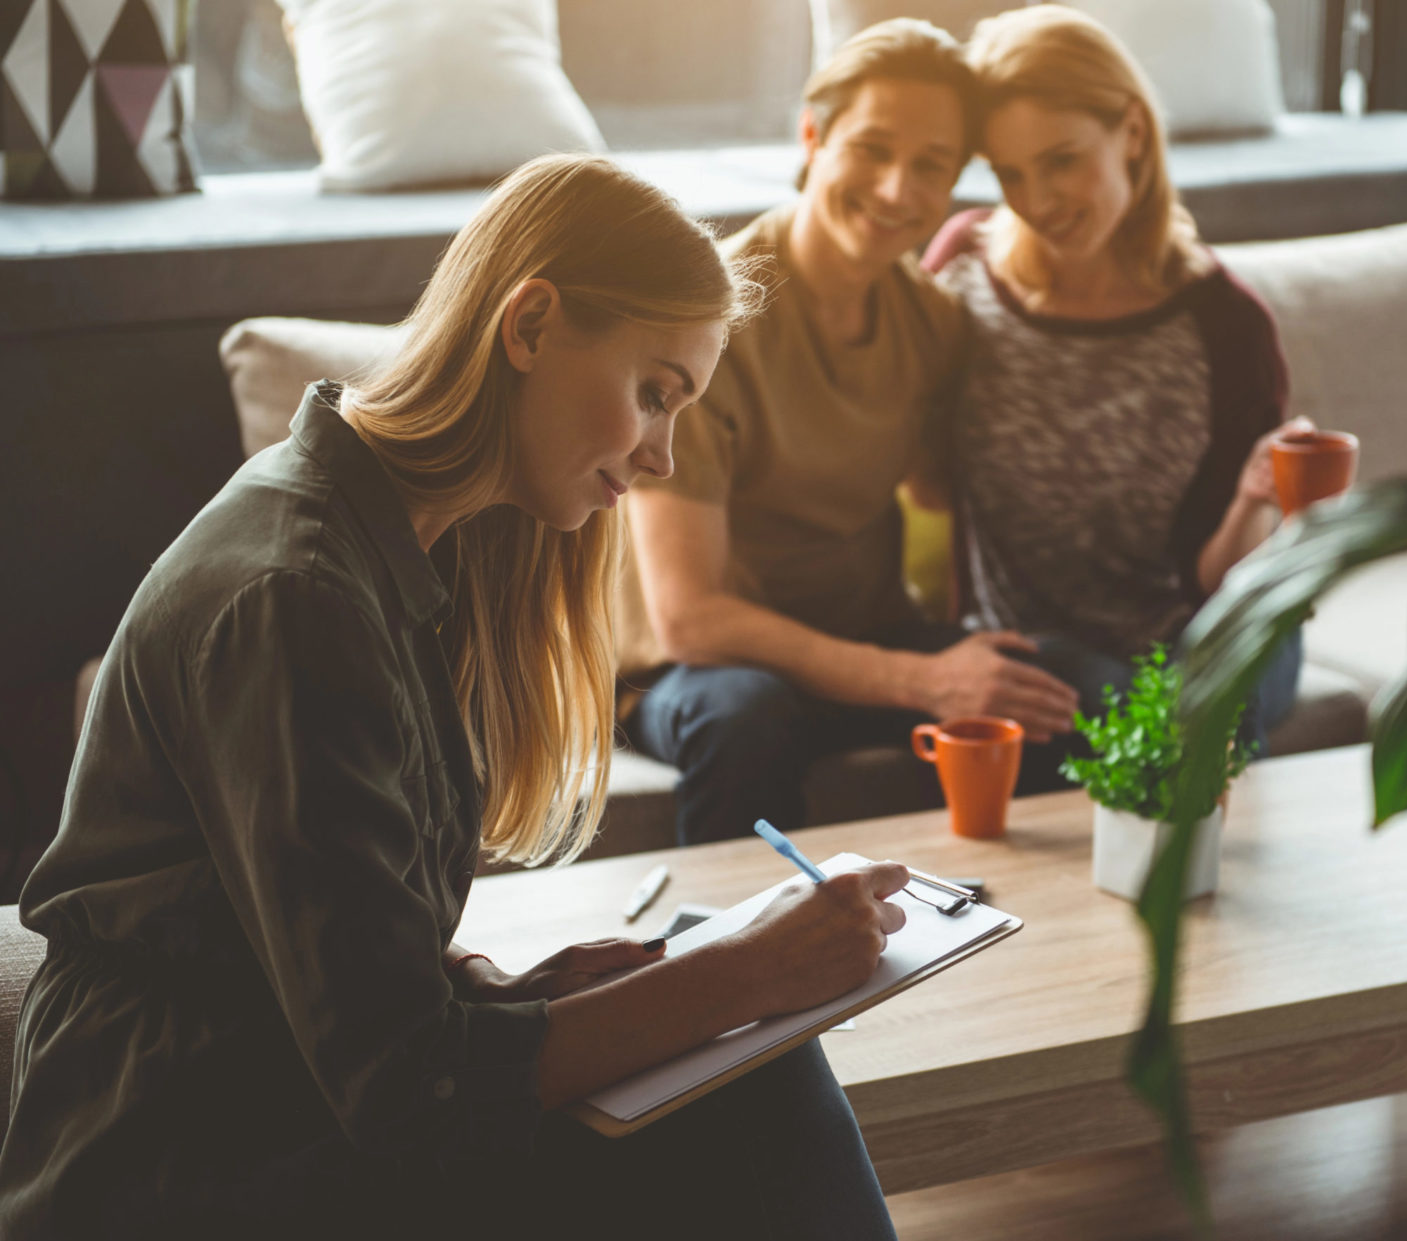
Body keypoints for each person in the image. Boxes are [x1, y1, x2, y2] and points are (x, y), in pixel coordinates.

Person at [0, 155, 909, 1241]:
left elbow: (324, 935)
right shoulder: (299, 597)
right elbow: (410, 1088)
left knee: (738, 1069)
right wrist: (742, 974)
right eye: (654, 393)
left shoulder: (391, 547)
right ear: (530, 325)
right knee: (755, 1079)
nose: (663, 454)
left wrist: (510, 989)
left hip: (284, 1093)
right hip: (184, 1146)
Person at [626, 19, 1082, 848]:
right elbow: (689, 617)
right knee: (747, 714)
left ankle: (1026, 915)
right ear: (813, 136)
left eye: (932, 165)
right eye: (872, 149)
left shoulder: (932, 319)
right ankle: (746, 935)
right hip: (692, 671)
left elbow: (942, 495)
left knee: (1061, 683)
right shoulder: (706, 322)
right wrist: (923, 680)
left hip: (863, 639)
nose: (898, 189)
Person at [920, 5, 1304, 748]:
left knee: (1203, 709)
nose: (1038, 203)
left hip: (1201, 630)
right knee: (1093, 692)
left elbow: (1216, 580)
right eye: (1010, 174)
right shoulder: (964, 269)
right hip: (1039, 643)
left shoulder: (1227, 327)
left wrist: (1255, 498)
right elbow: (914, 462)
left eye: (1062, 161)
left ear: (1131, 131)